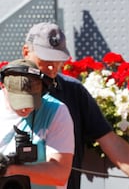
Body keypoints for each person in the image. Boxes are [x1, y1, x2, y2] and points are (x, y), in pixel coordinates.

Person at [21, 22, 129, 189]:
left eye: (58, 60)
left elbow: (109, 141)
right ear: (26, 52)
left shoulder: (73, 91)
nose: (52, 67)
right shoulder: (3, 92)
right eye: (46, 59)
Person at [0, 59, 74, 189]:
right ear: (3, 86)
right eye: (19, 101)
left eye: (31, 100)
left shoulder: (56, 111)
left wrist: (9, 169)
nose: (25, 108)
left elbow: (60, 174)